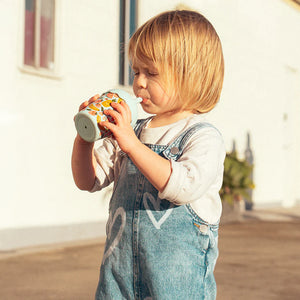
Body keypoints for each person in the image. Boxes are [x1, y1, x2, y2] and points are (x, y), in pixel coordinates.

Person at [72, 9, 225, 300]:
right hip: (118, 281)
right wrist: (84, 141)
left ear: (191, 75)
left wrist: (131, 144)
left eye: (151, 73)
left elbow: (182, 187)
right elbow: (87, 180)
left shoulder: (203, 137)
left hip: (175, 288)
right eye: (136, 71)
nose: (139, 82)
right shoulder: (131, 132)